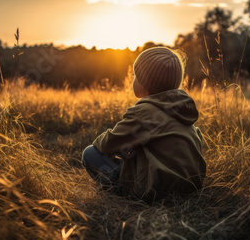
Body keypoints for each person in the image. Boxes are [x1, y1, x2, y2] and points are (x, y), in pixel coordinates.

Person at [82, 46, 206, 202]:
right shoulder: (182, 108)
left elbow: (107, 144)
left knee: (90, 153)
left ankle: (117, 195)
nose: (133, 79)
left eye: (136, 75)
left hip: (155, 191)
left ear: (145, 83)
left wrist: (112, 145)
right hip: (191, 189)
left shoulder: (144, 112)